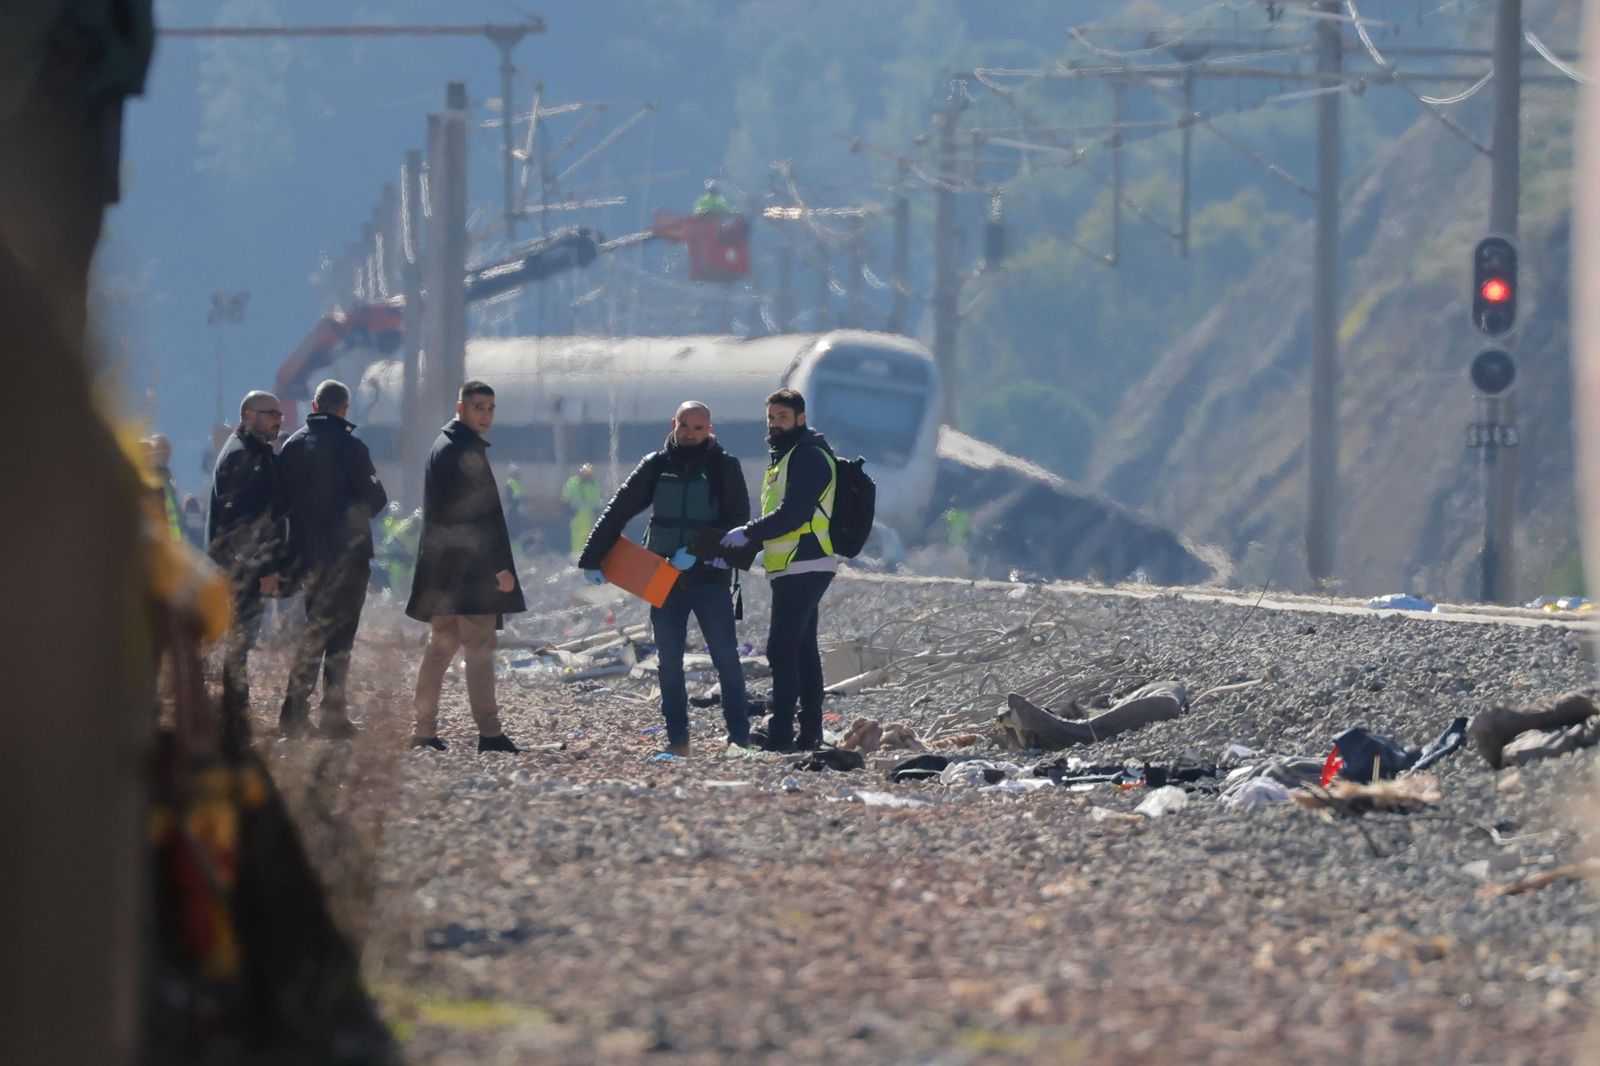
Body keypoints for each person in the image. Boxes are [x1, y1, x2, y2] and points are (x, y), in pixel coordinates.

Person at [576, 400, 752, 755]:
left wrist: (698, 551)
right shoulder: (656, 466)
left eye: (698, 428)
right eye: (684, 426)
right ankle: (678, 743)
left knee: (726, 659)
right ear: (673, 424)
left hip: (710, 578)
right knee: (668, 663)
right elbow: (619, 509)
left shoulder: (724, 467)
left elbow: (739, 522)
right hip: (664, 578)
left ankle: (739, 740)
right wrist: (591, 558)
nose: (690, 434)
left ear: (710, 431)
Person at [406, 380, 526, 753]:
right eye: (478, 407)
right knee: (479, 652)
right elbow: (475, 518)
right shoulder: (462, 451)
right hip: (470, 575)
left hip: (443, 573)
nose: (485, 414)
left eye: (490, 408)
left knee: (439, 652)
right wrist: (499, 568)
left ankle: (423, 731)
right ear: (461, 409)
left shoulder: (445, 446)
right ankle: (489, 734)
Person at [720, 388, 838, 752]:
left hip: (806, 561)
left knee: (781, 649)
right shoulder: (784, 457)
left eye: (782, 417)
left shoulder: (808, 457)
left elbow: (793, 514)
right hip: (791, 565)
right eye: (771, 418)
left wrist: (749, 533)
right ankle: (811, 731)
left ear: (800, 418)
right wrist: (741, 547)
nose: (774, 424)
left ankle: (783, 730)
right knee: (802, 649)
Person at [274, 379, 388, 738]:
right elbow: (376, 499)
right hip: (348, 556)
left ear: (313, 405)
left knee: (313, 631)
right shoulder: (351, 446)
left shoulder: (292, 446)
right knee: (341, 637)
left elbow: (280, 502)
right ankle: (332, 714)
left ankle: (294, 711)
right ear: (345, 409)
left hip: (306, 556)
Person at [208, 391, 287, 742]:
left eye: (280, 415)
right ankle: (234, 714)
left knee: (243, 639)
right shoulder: (242, 456)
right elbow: (248, 522)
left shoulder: (254, 452)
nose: (277, 420)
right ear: (248, 415)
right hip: (244, 565)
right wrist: (264, 568)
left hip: (242, 563)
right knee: (241, 640)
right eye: (271, 413)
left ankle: (235, 711)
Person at [144, 432, 182, 543]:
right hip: (160, 542)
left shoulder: (168, 478)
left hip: (172, 543)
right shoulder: (151, 480)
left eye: (167, 451)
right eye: (160, 451)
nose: (166, 456)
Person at [562, 462, 603, 556]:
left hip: (589, 517)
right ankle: (576, 554)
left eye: (589, 475)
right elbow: (565, 498)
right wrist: (568, 511)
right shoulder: (573, 483)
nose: (588, 477)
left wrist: (597, 514)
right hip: (576, 515)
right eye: (586, 475)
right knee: (577, 537)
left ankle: (587, 554)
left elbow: (597, 502)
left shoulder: (594, 486)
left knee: (589, 536)